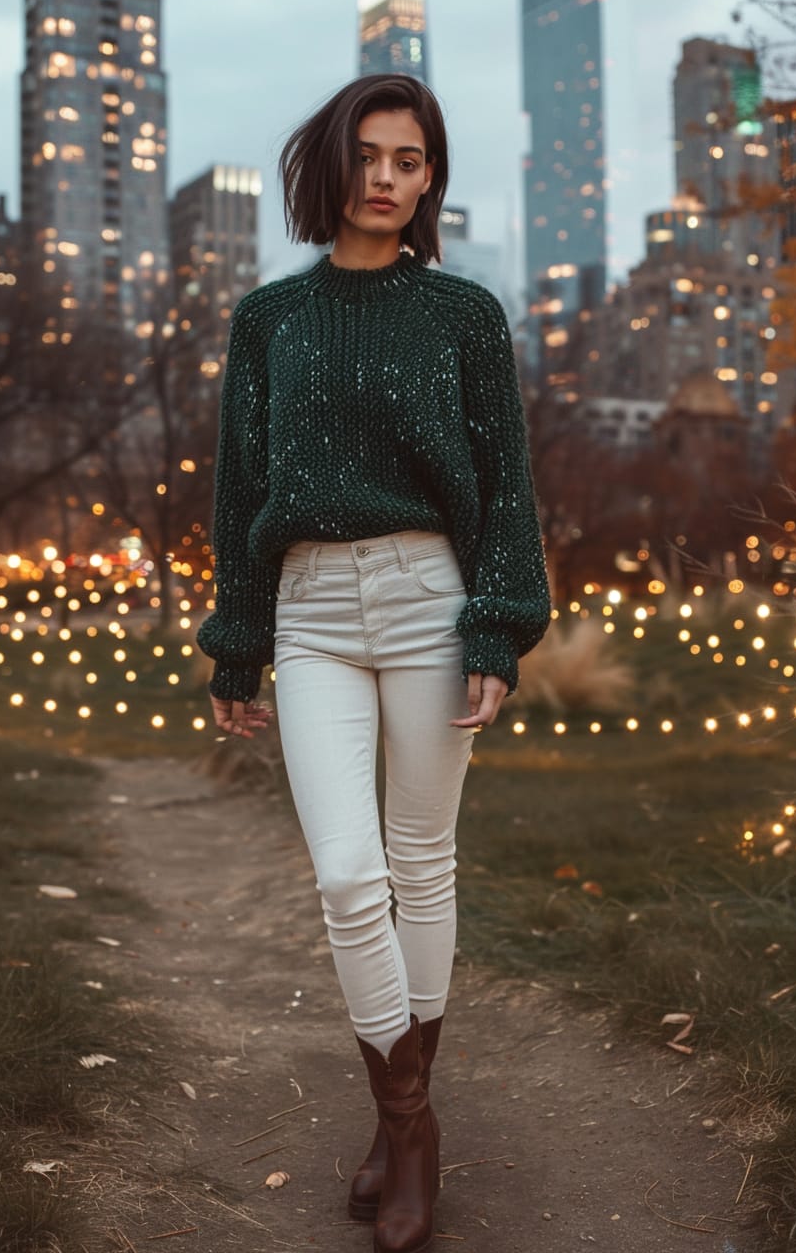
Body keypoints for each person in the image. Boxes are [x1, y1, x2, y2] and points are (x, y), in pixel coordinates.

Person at [196, 74, 551, 1253]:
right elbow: (239, 488)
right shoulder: (270, 321)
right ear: (329, 168)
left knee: (418, 863)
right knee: (349, 878)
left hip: (425, 603)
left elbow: (503, 486)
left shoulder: (460, 314)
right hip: (305, 609)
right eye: (370, 156)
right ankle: (409, 1118)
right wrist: (236, 644)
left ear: (430, 177)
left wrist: (496, 623)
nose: (390, 178)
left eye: (412, 159)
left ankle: (400, 1133)